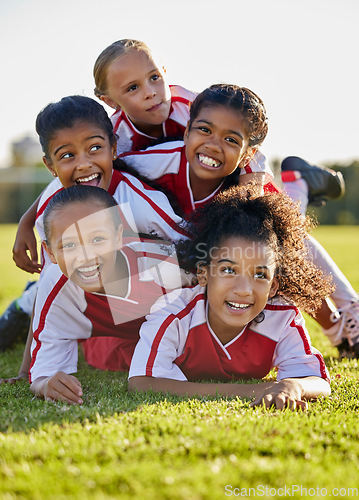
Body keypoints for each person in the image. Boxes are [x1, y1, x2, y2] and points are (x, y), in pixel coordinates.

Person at [118, 83, 359, 357]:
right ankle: (299, 182)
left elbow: (273, 254)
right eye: (205, 130)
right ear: (186, 132)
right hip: (200, 225)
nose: (213, 144)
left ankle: (348, 316)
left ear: (246, 154)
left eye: (230, 139)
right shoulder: (145, 163)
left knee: (281, 247)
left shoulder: (247, 174)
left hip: (249, 202)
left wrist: (337, 329)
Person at [0, 95, 193, 383]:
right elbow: (50, 288)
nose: (84, 164)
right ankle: (22, 309)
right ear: (50, 166)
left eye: (95, 148)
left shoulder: (139, 201)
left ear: (113, 148)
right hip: (100, 298)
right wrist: (28, 371)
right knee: (52, 283)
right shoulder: (52, 212)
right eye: (67, 156)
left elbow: (190, 254)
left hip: (151, 295)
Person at [128, 185, 332, 410]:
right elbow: (141, 383)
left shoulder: (282, 316)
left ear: (273, 286)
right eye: (228, 270)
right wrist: (252, 391)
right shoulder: (174, 312)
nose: (244, 289)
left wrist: (294, 387)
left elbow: (317, 381)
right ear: (203, 274)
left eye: (260, 275)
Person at [30, 185, 186, 404]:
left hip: (166, 336)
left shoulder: (162, 265)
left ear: (118, 237)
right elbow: (42, 373)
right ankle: (27, 302)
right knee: (107, 356)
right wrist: (46, 384)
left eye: (97, 240)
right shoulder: (56, 284)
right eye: (69, 245)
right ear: (50, 253)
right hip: (112, 339)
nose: (85, 256)